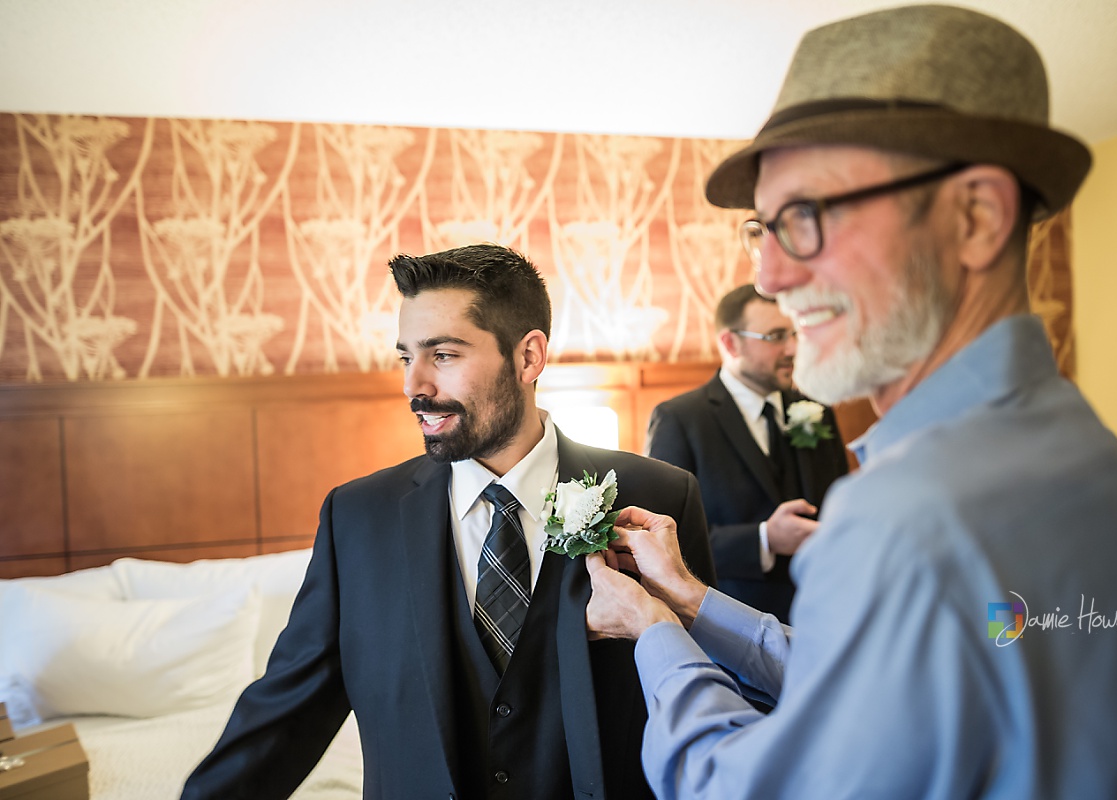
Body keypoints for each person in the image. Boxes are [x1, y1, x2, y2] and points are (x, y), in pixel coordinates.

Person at [584, 5, 1117, 799]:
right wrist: (695, 602)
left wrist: (656, 636)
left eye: (804, 216)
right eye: (759, 228)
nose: (769, 275)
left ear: (976, 217)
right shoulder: (1088, 452)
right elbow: (886, 687)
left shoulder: (910, 517)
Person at [181, 244, 716, 800]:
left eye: (443, 355)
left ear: (529, 358)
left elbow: (710, 695)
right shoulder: (358, 518)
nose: (415, 386)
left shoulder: (659, 497)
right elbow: (285, 716)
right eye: (404, 357)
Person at [645, 284, 848, 619]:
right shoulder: (681, 419)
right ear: (730, 342)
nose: (793, 348)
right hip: (732, 622)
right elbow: (666, 541)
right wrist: (764, 539)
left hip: (825, 612)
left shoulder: (817, 412)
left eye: (794, 333)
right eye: (776, 336)